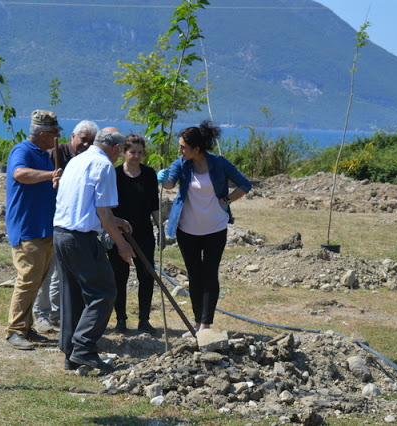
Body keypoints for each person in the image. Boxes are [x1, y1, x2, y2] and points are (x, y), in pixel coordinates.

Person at [157, 120, 251, 338]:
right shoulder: (181, 164)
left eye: (183, 147)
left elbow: (245, 184)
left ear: (196, 149)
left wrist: (227, 200)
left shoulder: (219, 163)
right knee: (194, 276)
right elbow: (170, 183)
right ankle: (197, 323)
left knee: (209, 274)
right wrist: (163, 180)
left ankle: (206, 325)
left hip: (215, 229)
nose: (179, 150)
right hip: (187, 229)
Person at [53, 129, 134, 372]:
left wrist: (115, 220)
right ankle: (84, 348)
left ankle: (71, 352)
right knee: (104, 292)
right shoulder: (104, 166)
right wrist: (122, 244)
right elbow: (102, 212)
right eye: (120, 152)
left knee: (74, 295)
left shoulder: (77, 160)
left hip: (61, 234)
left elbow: (86, 205)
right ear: (117, 149)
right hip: (80, 239)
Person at [33, 120, 99, 333]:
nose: (86, 145)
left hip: (71, 224)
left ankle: (58, 313)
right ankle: (41, 314)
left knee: (62, 272)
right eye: (83, 140)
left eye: (91, 141)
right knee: (45, 270)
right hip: (49, 219)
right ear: (73, 136)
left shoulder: (88, 160)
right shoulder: (54, 154)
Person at [5, 109, 63, 351]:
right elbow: (19, 174)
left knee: (37, 279)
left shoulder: (43, 154)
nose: (56, 138)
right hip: (28, 227)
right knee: (28, 279)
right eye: (53, 133)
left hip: (44, 227)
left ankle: (26, 327)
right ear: (42, 134)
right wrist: (50, 174)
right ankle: (14, 331)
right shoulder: (22, 151)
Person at [107, 134, 162, 334]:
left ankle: (144, 320)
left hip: (144, 233)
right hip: (120, 234)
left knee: (146, 276)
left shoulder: (149, 174)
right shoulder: (114, 174)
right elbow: (108, 208)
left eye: (140, 153)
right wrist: (114, 230)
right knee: (119, 276)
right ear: (123, 152)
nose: (137, 156)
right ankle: (120, 319)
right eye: (132, 152)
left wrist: (160, 229)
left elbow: (154, 204)